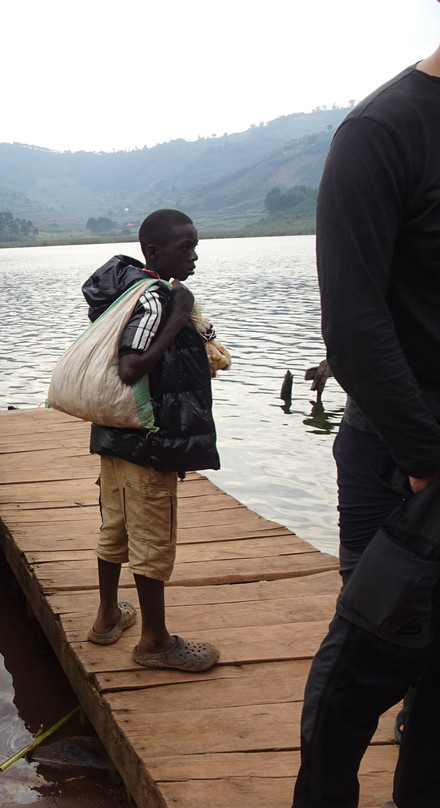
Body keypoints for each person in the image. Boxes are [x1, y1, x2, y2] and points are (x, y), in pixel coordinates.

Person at [292, 40, 440, 808]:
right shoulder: (384, 132)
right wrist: (425, 461)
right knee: (355, 679)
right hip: (402, 462)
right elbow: (352, 323)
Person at [83, 208, 221, 673]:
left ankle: (107, 617)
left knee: (115, 527)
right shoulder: (155, 300)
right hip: (148, 441)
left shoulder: (123, 291)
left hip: (114, 435)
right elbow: (131, 367)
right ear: (154, 252)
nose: (194, 256)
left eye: (195, 246)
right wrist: (179, 316)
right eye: (186, 247)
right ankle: (155, 642)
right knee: (151, 538)